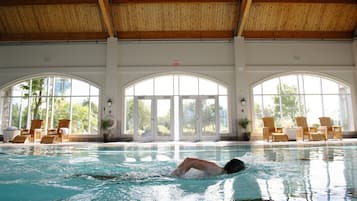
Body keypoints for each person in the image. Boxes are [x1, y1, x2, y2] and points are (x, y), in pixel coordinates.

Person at [171, 157, 245, 177]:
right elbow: (189, 161)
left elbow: (188, 160)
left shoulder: (218, 172)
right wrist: (176, 176)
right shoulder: (216, 170)